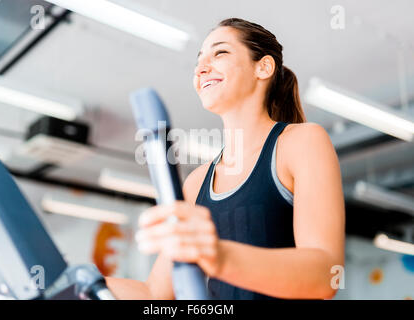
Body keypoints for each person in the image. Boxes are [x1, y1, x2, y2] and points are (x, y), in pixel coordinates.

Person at [106, 17, 345, 300]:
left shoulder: (302, 142)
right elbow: (155, 293)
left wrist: (218, 256)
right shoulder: (197, 183)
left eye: (219, 53)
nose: (201, 68)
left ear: (263, 67)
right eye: (199, 61)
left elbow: (327, 274)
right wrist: (82, 285)